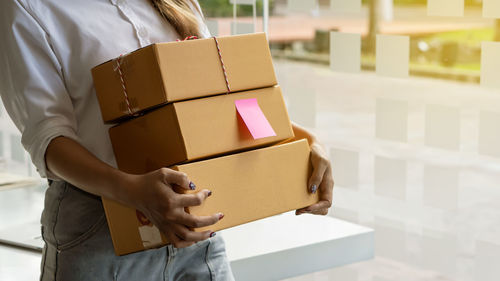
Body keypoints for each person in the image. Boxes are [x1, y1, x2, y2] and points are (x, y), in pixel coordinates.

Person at [0, 0, 334, 280]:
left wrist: (305, 141)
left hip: (197, 219)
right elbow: (48, 138)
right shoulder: (28, 7)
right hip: (101, 228)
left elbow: (211, 99)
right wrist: (133, 191)